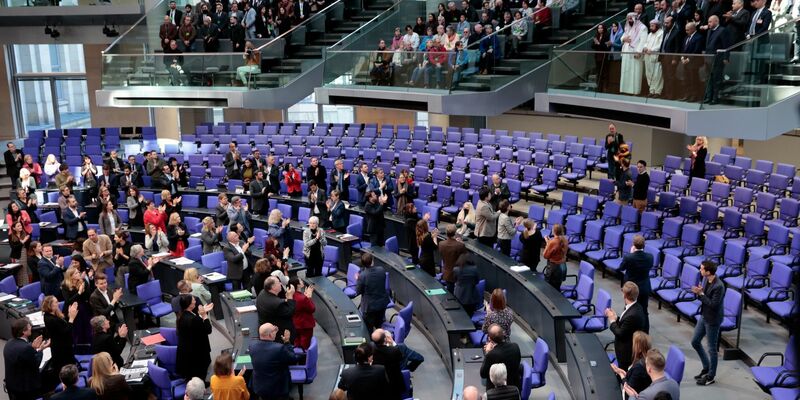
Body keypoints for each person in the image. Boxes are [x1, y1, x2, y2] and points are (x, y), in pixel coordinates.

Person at [691, 260, 725, 386]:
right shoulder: (705, 279)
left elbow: (713, 304)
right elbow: (704, 297)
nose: (700, 270)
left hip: (713, 320)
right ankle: (706, 367)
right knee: (695, 341)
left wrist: (701, 294)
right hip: (704, 315)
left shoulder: (719, 286)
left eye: (702, 269)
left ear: (708, 272)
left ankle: (711, 376)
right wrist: (699, 292)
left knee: (712, 349)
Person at [249, 323, 300, 399]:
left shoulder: (252, 346)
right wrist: (287, 342)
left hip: (260, 388)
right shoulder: (279, 349)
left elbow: (267, 348)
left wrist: (272, 331)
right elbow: (293, 359)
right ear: (270, 335)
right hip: (278, 390)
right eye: (274, 331)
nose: (276, 332)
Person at [605, 282, 647, 371]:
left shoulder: (632, 314)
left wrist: (612, 320)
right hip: (626, 348)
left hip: (626, 353)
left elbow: (620, 333)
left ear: (624, 295)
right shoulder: (636, 307)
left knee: (623, 373)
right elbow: (627, 325)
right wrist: (616, 318)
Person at [4, 318, 49, 400]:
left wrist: (32, 348)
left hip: (11, 385)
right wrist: (40, 349)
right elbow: (36, 363)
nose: (31, 327)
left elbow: (21, 358)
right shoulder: (26, 348)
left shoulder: (9, 342)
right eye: (29, 326)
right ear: (24, 332)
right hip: (24, 389)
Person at [619, 235, 653, 332]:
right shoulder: (650, 257)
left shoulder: (629, 257)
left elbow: (621, 268)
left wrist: (631, 253)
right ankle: (645, 333)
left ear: (633, 245)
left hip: (631, 289)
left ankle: (628, 331)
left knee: (629, 309)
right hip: (644, 288)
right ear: (644, 245)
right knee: (644, 311)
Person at [176, 294, 213, 381]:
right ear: (189, 304)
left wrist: (201, 313)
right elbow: (208, 330)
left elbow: (196, 324)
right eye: (193, 300)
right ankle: (201, 384)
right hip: (197, 352)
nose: (195, 301)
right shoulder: (193, 319)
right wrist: (204, 316)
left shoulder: (182, 316)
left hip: (187, 350)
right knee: (200, 372)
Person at [43, 296, 79, 380]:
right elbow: (66, 332)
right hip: (61, 349)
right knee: (66, 371)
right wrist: (72, 318)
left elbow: (63, 324)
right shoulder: (50, 319)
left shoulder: (54, 314)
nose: (58, 303)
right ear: (50, 305)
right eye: (56, 302)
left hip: (64, 345)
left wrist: (69, 315)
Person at [480, 324, 521, 391]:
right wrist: (494, 349)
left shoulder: (491, 355)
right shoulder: (515, 346)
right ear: (503, 334)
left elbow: (483, 374)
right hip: (514, 386)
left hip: (496, 389)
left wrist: (488, 353)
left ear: (490, 339)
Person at [612, 331, 652, 398]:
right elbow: (634, 378)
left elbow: (629, 389)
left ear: (639, 348)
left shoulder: (639, 367)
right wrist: (620, 371)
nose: (631, 345)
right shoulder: (644, 359)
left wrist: (621, 375)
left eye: (633, 343)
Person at [356, 252, 390, 331]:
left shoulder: (362, 276)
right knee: (379, 326)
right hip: (382, 304)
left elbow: (358, 291)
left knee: (369, 329)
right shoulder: (381, 270)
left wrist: (358, 279)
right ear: (372, 261)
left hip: (369, 307)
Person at [256, 276, 296, 341]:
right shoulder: (277, 303)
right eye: (278, 282)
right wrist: (290, 297)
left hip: (265, 330)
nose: (280, 283)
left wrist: (285, 300)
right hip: (278, 335)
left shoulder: (262, 293)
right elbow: (290, 312)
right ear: (273, 287)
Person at [61, 266, 93, 347]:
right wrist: (79, 292)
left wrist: (85, 288)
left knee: (87, 328)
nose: (79, 273)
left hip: (84, 307)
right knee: (77, 330)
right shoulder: (65, 286)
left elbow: (88, 296)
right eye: (76, 273)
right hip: (73, 309)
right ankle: (77, 347)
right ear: (71, 276)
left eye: (78, 272)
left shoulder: (83, 282)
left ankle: (88, 345)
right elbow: (68, 301)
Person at [370, 329, 405, 400]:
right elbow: (401, 358)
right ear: (385, 339)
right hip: (394, 385)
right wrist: (393, 343)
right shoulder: (394, 350)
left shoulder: (371, 348)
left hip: (378, 384)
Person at [288, 277, 316, 350]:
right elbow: (312, 308)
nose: (302, 281)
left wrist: (305, 296)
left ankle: (297, 354)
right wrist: (308, 297)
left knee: (297, 342)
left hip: (295, 323)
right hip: (305, 325)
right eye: (300, 281)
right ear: (298, 285)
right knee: (305, 344)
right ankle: (305, 356)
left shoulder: (290, 295)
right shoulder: (302, 298)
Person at [439, 224, 468, 292]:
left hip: (447, 273)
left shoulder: (441, 244)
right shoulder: (460, 245)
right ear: (455, 233)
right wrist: (461, 243)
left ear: (446, 233)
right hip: (458, 274)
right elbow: (466, 257)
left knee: (450, 292)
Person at [642, 19, 664, 97]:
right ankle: (651, 90)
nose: (650, 27)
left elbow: (660, 45)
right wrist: (645, 48)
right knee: (649, 74)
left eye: (652, 26)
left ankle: (657, 91)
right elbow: (646, 43)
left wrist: (651, 50)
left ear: (657, 26)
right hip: (647, 56)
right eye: (650, 26)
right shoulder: (650, 34)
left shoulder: (661, 33)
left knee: (657, 75)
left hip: (655, 56)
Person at [542, 224, 568, 289]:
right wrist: (549, 242)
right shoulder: (565, 240)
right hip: (562, 266)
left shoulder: (553, 242)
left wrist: (548, 244)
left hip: (554, 268)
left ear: (553, 231)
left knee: (550, 288)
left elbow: (545, 255)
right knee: (557, 286)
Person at [8, 220, 30, 287]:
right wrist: (22, 242)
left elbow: (28, 245)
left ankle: (26, 285)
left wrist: (24, 242)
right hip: (16, 255)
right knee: (18, 271)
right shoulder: (11, 236)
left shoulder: (25, 233)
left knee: (24, 270)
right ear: (14, 228)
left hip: (24, 253)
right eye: (18, 226)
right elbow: (13, 247)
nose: (20, 227)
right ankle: (19, 286)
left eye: (20, 225)